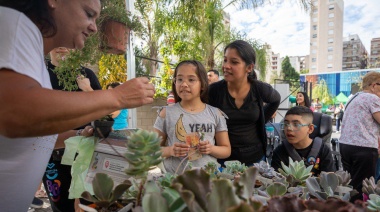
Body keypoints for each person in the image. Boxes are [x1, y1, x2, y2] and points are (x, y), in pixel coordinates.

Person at [0, 2, 155, 211]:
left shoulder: (33, 53)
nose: (94, 27)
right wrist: (117, 97)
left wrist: (79, 134)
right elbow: (15, 114)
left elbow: (33, 135)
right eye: (88, 14)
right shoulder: (14, 23)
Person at [40, 47, 100, 212]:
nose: (62, 46)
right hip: (53, 156)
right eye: (58, 40)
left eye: (66, 42)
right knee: (62, 207)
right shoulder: (39, 73)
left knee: (90, 206)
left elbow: (105, 115)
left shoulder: (86, 75)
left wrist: (87, 90)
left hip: (87, 157)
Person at [208, 40, 280, 166]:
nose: (226, 66)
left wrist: (262, 118)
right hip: (223, 162)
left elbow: (276, 99)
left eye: (234, 62)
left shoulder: (259, 88)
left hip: (255, 159)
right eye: (225, 60)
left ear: (249, 67)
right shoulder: (214, 91)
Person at [154, 60, 231, 174]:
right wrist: (170, 150)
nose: (184, 84)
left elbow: (226, 149)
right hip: (174, 181)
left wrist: (211, 149)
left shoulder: (215, 114)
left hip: (208, 179)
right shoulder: (166, 113)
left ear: (203, 84)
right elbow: (151, 150)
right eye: (179, 79)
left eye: (191, 79)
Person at [339, 71, 380, 202]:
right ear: (374, 85)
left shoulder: (353, 98)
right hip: (364, 147)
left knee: (350, 186)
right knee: (363, 188)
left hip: (346, 146)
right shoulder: (372, 98)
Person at [271, 106, 334, 176]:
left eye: (296, 124)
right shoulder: (280, 151)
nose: (288, 128)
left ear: (310, 129)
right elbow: (277, 181)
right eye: (286, 124)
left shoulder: (323, 150)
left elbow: (330, 179)